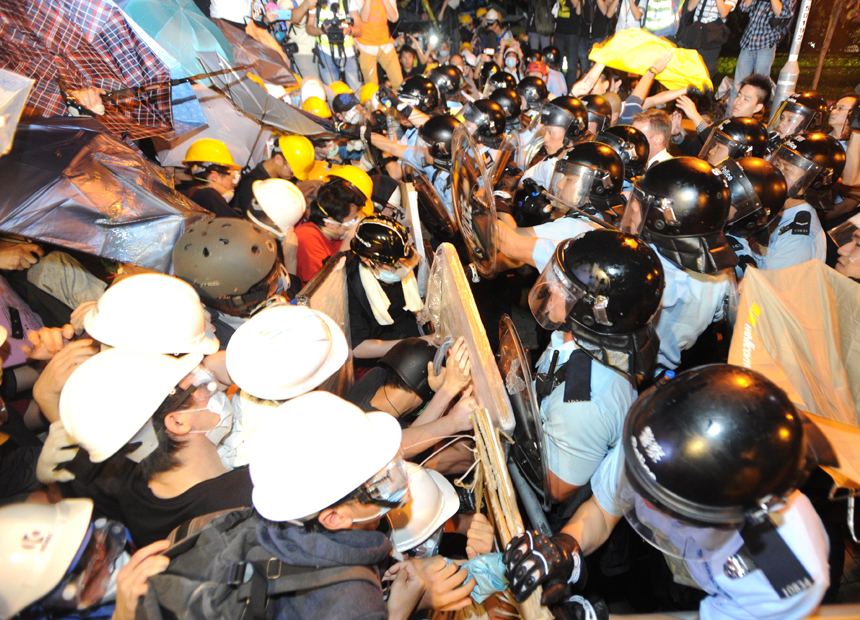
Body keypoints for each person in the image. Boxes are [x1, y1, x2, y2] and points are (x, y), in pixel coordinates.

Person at [503, 364, 831, 620]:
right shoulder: (656, 440)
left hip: (741, 598)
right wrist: (567, 547)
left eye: (667, 503)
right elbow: (602, 513)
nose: (645, 503)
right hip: (675, 561)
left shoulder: (784, 575)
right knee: (659, 589)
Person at [249, 391, 426, 620]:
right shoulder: (354, 605)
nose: (396, 479)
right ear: (334, 518)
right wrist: (397, 611)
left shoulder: (267, 522)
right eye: (377, 483)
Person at [55, 349, 252, 547]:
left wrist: (209, 371)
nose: (210, 387)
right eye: (198, 387)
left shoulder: (135, 494)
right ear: (178, 423)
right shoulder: (247, 496)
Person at [525, 230, 664, 504]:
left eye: (563, 287)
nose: (551, 287)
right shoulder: (581, 338)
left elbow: (555, 488)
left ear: (592, 313)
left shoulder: (581, 401)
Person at [619, 157, 737, 372]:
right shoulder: (721, 270)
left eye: (639, 204)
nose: (633, 209)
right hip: (672, 371)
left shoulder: (645, 271)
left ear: (665, 216)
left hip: (633, 373)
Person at [758, 133, 844, 268]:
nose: (775, 172)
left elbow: (763, 287)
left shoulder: (799, 239)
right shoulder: (774, 210)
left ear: (812, 183)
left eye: (786, 169)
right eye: (777, 164)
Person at [346, 216, 424, 359]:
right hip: (389, 349)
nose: (403, 268)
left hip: (409, 330)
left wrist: (420, 312)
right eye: (394, 265)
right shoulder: (353, 286)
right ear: (367, 261)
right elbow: (357, 348)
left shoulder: (396, 257)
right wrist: (417, 343)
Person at [294, 177, 363, 285]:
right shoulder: (307, 238)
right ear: (330, 223)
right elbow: (325, 287)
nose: (354, 224)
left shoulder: (336, 235)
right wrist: (349, 240)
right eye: (352, 220)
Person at [731, 0, 797, 108]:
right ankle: (731, 118)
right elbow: (744, 7)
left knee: (760, 88)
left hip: (766, 44)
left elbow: (782, 13)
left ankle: (755, 117)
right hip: (748, 42)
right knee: (738, 86)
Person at [234, 134, 315, 213]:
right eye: (292, 171)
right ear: (278, 159)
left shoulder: (280, 180)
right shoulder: (253, 185)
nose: (293, 175)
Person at [306, 0, 363, 90]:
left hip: (348, 51)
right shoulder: (316, 3)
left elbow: (359, 30)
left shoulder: (348, 2)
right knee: (332, 90)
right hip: (325, 51)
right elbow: (309, 28)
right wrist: (323, 30)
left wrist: (348, 30)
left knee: (356, 89)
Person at [179, 139, 242, 218]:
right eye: (230, 176)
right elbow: (238, 225)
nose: (232, 183)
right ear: (214, 176)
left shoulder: (191, 194)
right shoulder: (209, 195)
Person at [677, 0, 738, 80]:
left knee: (705, 74)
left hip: (712, 37)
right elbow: (690, 7)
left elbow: (723, 13)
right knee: (685, 72)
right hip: (695, 33)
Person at [355, 0, 403, 90]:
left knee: (398, 81)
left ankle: (397, 103)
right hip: (365, 45)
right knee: (372, 87)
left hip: (385, 44)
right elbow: (364, 18)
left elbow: (394, 18)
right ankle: (374, 104)